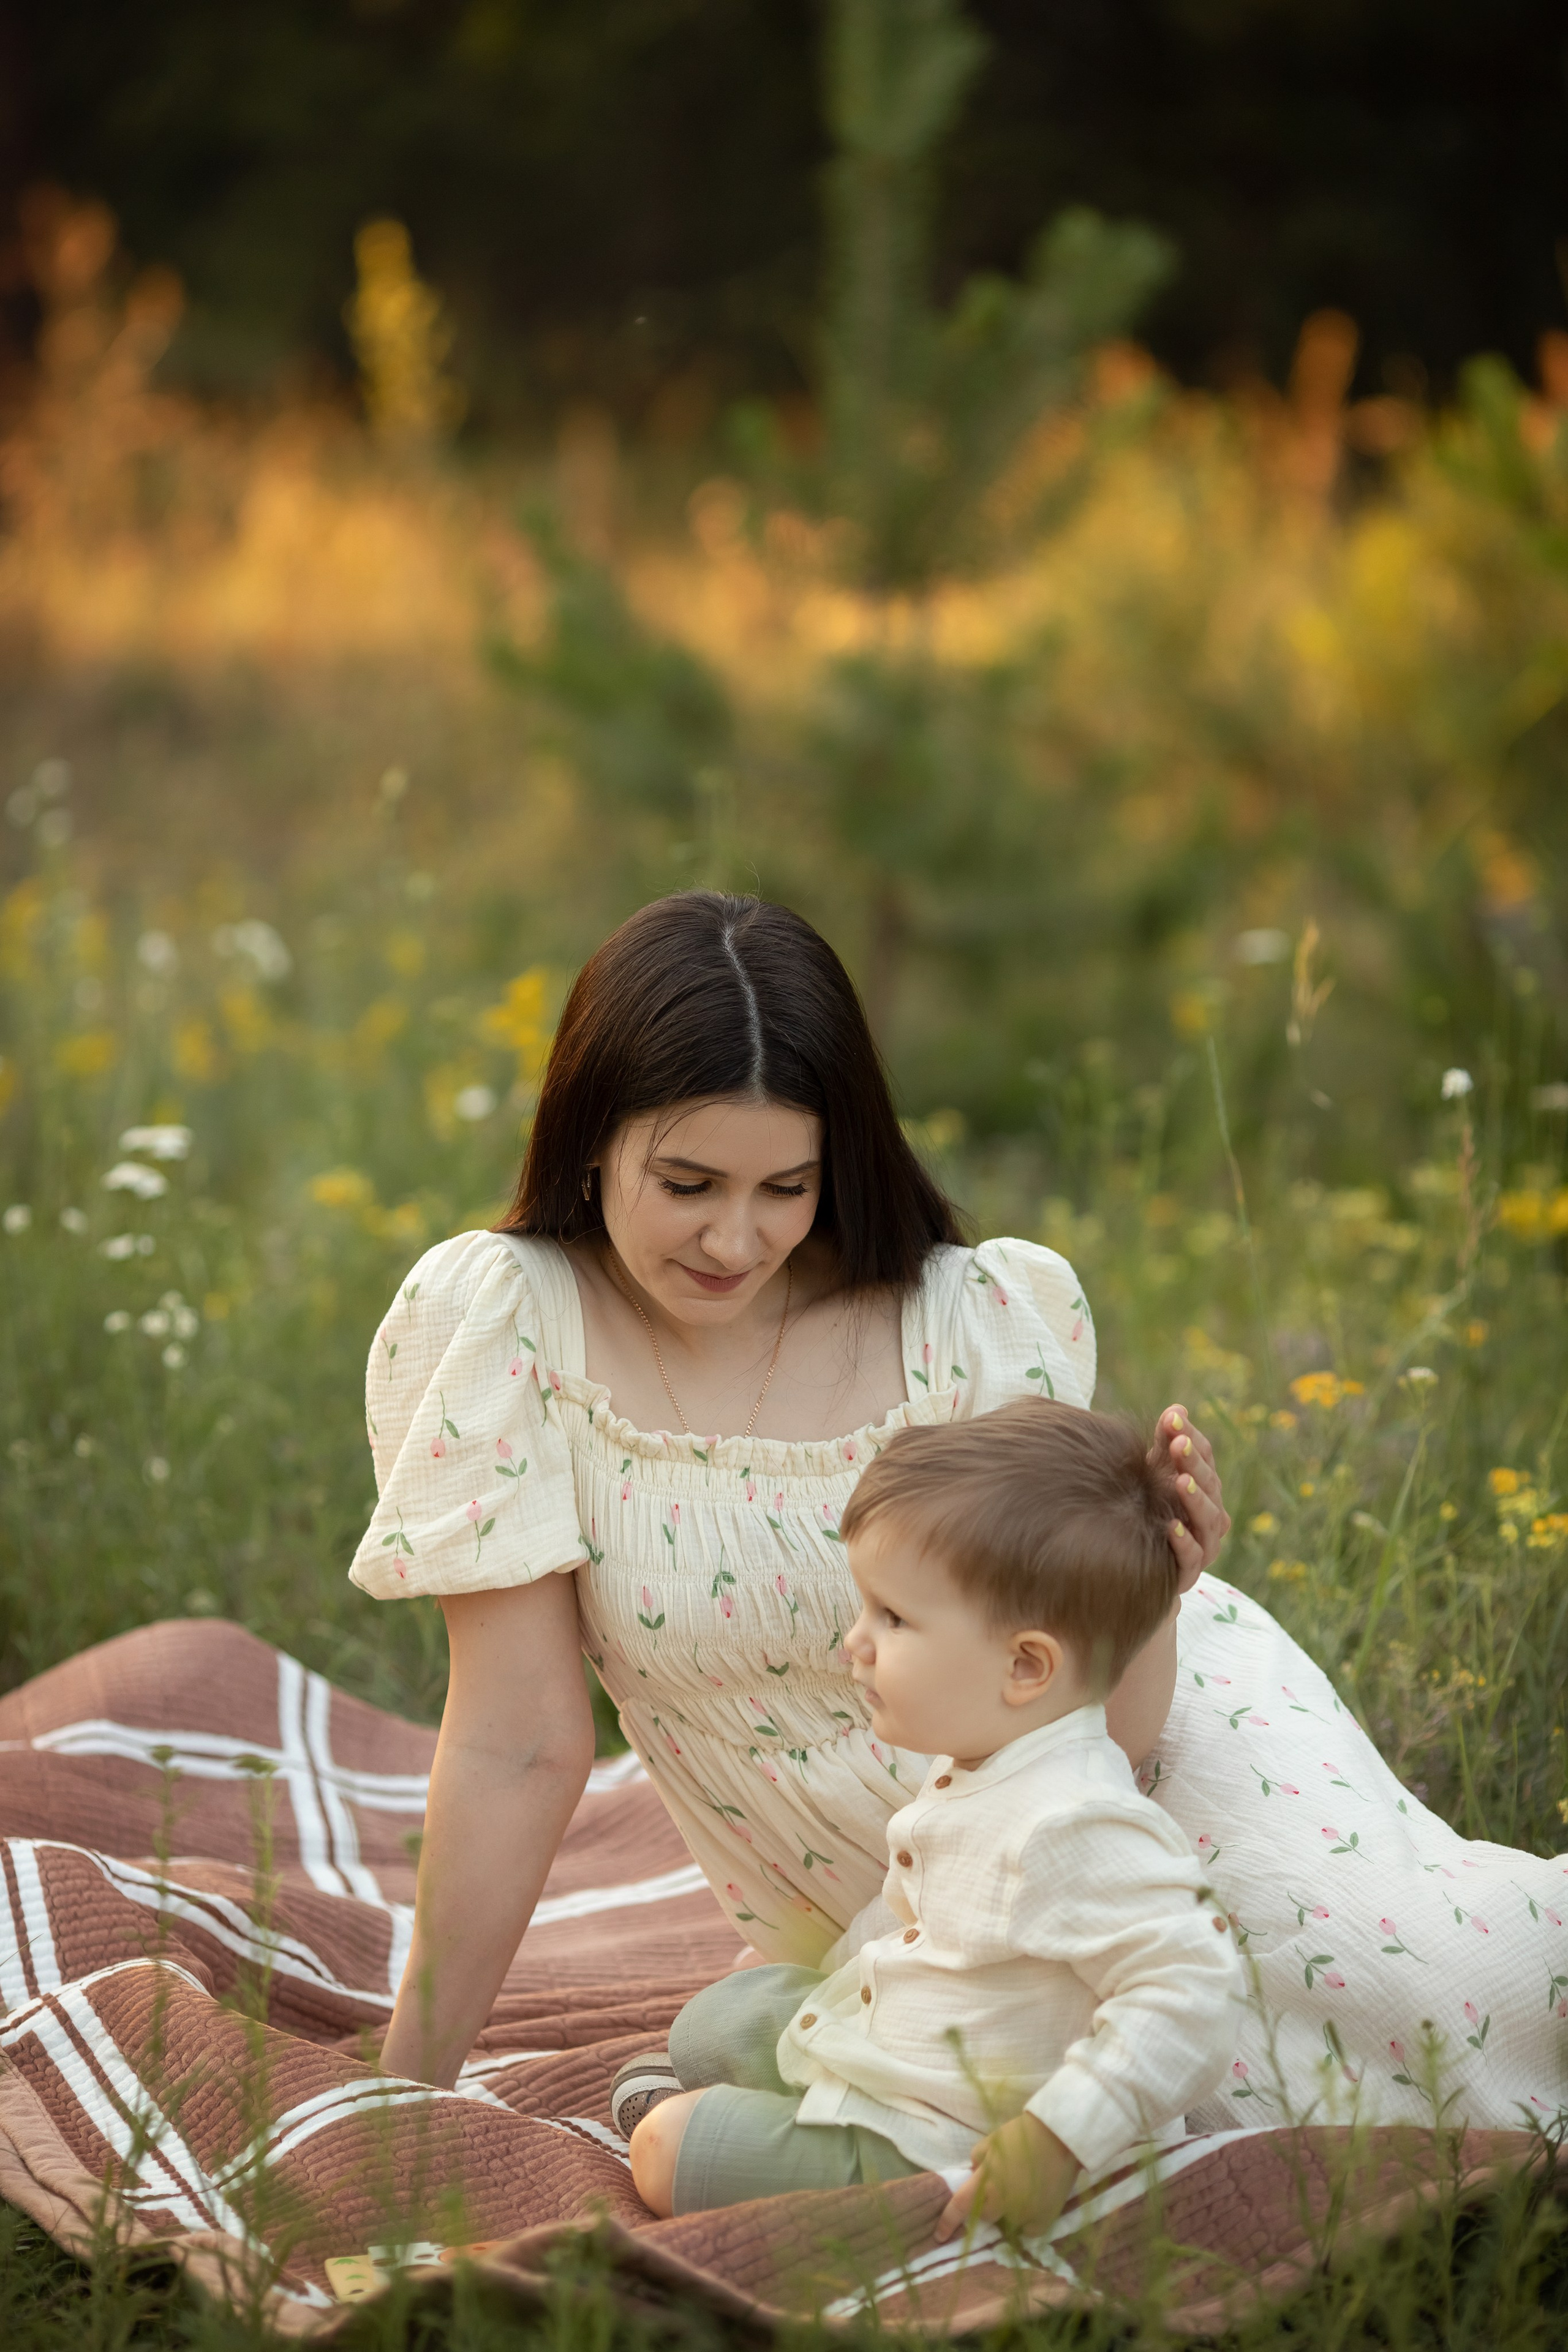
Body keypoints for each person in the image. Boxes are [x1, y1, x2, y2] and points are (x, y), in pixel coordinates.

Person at [353, 890, 1568, 2135]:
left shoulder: (961, 1322)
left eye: (787, 1187)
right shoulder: (502, 1326)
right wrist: (410, 2086)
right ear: (589, 1137)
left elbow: (1115, 1749)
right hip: (878, 1894)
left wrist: (1142, 1593)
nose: (735, 1237)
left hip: (1117, 1778)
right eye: (686, 1182)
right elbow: (516, 1741)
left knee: (1395, 2006)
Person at [620, 1400, 1243, 2234]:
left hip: (955, 2128)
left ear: (1025, 1665)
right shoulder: (985, 1757)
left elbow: (1195, 1989)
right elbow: (917, 1919)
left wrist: (1055, 2138)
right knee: (720, 2020)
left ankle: (883, 2186)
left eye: (894, 1619)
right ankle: (788, 2088)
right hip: (918, 2042)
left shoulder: (1076, 1822)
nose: (855, 1643)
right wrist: (844, 1974)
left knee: (665, 2150)